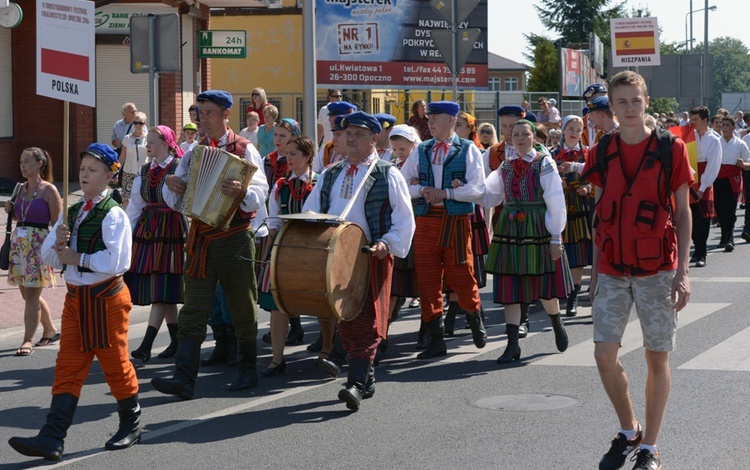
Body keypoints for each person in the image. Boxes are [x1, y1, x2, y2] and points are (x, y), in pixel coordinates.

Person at [582, 71, 693, 470]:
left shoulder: (671, 148)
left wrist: (683, 272)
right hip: (612, 266)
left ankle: (651, 447)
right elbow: (599, 214)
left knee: (656, 358)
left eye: (636, 100)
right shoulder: (602, 150)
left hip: (657, 269)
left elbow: (682, 212)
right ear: (611, 107)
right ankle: (630, 429)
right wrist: (594, 272)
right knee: (603, 354)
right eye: (621, 102)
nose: (629, 109)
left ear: (647, 102)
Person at [9, 144, 140, 461]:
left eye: (92, 170)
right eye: (82, 169)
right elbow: (49, 256)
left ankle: (131, 424)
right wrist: (60, 244)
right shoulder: (71, 212)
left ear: (110, 176)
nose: (84, 174)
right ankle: (52, 437)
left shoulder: (114, 215)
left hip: (106, 299)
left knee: (115, 366)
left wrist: (76, 256)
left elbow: (118, 261)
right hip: (75, 300)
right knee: (67, 366)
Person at [154, 90, 269, 399]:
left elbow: (261, 190)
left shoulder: (244, 149)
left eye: (208, 112)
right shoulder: (192, 152)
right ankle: (183, 378)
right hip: (201, 239)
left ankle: (248, 370)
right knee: (193, 309)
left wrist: (241, 191)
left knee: (243, 305)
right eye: (199, 112)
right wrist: (172, 186)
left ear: (225, 114)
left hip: (235, 238)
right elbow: (177, 197)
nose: (202, 118)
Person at [303, 111, 415, 411]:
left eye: (359, 134)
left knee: (365, 318)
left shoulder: (387, 172)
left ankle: (353, 383)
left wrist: (387, 243)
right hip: (335, 257)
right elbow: (311, 212)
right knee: (345, 315)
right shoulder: (329, 174)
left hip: (371, 254)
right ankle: (365, 378)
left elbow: (405, 219)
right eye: (347, 133)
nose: (350, 138)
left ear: (374, 139)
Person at [400, 101, 487, 360]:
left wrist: (446, 192)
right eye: (428, 118)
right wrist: (421, 190)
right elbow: (403, 182)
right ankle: (436, 339)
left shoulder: (469, 149)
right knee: (427, 280)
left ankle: (474, 319)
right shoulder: (422, 149)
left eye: (435, 117)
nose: (429, 122)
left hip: (455, 221)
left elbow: (478, 189)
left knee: (461, 275)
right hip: (426, 221)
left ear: (451, 120)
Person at [483, 119, 572, 364]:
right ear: (510, 139)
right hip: (510, 227)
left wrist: (556, 235)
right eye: (515, 135)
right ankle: (512, 345)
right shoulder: (506, 165)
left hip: (536, 225)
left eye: (525, 134)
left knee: (543, 285)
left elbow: (555, 200)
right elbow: (490, 194)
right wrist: (458, 189)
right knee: (510, 287)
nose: (520, 138)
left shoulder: (544, 163)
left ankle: (556, 321)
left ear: (534, 137)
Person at [259, 135, 322, 376]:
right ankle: (276, 359)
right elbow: (273, 222)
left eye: (294, 153)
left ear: (308, 157)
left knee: (321, 303)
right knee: (277, 306)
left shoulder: (319, 182)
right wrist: (273, 252)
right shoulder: (280, 186)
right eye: (287, 154)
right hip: (284, 252)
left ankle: (327, 352)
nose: (289, 158)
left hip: (311, 251)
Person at [125, 126, 187, 364]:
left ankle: (146, 345)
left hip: (170, 228)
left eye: (152, 142)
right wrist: (128, 235)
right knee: (164, 289)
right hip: (148, 229)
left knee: (162, 286)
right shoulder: (144, 170)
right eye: (147, 142)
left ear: (166, 144)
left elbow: (180, 201)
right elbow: (135, 206)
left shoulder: (178, 167)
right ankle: (176, 341)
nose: (147, 146)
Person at [4, 147, 62, 356]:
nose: (22, 166)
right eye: (21, 162)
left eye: (27, 162)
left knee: (31, 295)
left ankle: (28, 340)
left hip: (38, 247)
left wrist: (60, 250)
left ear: (39, 164)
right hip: (20, 247)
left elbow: (57, 224)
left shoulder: (49, 190)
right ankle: (50, 329)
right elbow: (21, 217)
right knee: (27, 294)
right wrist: (10, 210)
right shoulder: (19, 189)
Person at [261, 117, 306, 345]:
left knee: (290, 279)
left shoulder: (300, 166)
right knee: (272, 279)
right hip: (271, 220)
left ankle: (295, 326)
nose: (277, 140)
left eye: (283, 136)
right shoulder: (267, 161)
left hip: (291, 221)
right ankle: (285, 326)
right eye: (276, 135)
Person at [552, 116, 592, 316]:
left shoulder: (587, 154)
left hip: (579, 206)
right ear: (563, 129)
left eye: (579, 128)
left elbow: (598, 177)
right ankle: (559, 290)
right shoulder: (552, 154)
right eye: (570, 128)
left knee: (577, 252)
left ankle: (573, 296)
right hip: (557, 207)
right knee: (558, 250)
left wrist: (588, 187)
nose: (574, 132)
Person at [688, 106, 721, 268]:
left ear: (704, 121)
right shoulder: (689, 137)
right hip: (690, 179)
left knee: (703, 219)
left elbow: (713, 167)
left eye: (695, 119)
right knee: (691, 219)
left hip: (704, 181)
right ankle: (696, 250)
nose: (692, 122)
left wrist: (702, 187)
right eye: (691, 119)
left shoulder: (714, 140)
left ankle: (702, 253)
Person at [715, 115, 750, 251]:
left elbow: (748, 161)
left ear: (733, 127)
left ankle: (729, 239)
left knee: (730, 209)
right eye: (722, 125)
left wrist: (743, 164)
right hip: (718, 178)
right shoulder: (717, 142)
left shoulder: (740, 143)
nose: (724, 128)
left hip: (732, 179)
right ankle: (724, 236)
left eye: (727, 125)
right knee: (719, 210)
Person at [313, 101, 357, 173]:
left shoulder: (361, 150)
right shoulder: (328, 148)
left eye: (338, 122)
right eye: (331, 122)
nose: (333, 126)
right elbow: (315, 170)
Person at [118, 111, 148, 207]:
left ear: (144, 124)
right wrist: (115, 172)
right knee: (126, 200)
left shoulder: (148, 138)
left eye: (141, 123)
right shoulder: (127, 138)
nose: (138, 125)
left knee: (143, 200)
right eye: (135, 122)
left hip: (144, 173)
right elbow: (122, 157)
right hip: (128, 173)